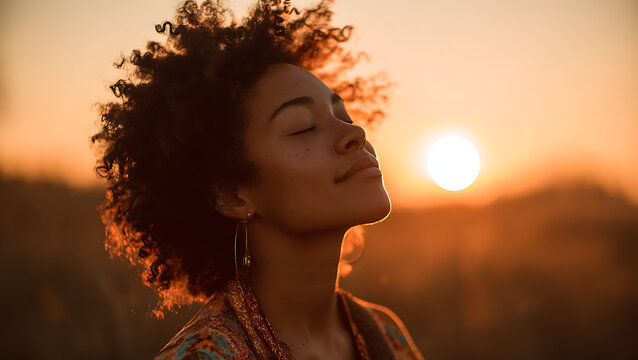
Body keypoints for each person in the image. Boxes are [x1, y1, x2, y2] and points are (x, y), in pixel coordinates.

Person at [91, 0, 425, 359]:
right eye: (303, 128)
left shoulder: (384, 334)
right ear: (233, 196)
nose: (355, 132)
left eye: (343, 114)